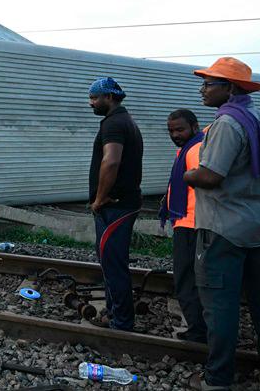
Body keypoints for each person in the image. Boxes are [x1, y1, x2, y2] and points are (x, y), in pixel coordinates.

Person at [182, 57, 260, 391]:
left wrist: (188, 173)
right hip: (258, 227)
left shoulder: (226, 123)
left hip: (222, 229)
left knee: (219, 305)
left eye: (209, 84)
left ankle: (218, 378)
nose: (202, 90)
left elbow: (210, 175)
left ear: (230, 87)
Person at [87, 77, 144, 331]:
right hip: (123, 203)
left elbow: (111, 162)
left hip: (115, 206)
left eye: (94, 97)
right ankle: (114, 314)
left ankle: (121, 323)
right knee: (113, 262)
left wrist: (99, 199)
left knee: (113, 265)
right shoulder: (125, 120)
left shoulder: (114, 124)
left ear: (108, 97)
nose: (91, 103)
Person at [159, 109, 207, 343]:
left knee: (186, 278)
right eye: (171, 131)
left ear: (194, 127)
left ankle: (198, 331)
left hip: (191, 225)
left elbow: (202, 181)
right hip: (187, 222)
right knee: (189, 278)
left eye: (180, 129)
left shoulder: (196, 149)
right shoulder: (189, 147)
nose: (175, 134)